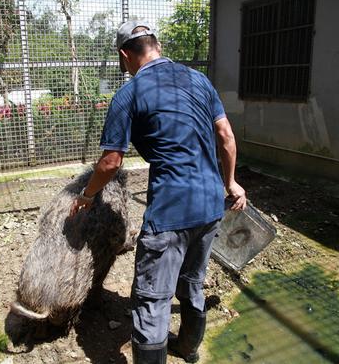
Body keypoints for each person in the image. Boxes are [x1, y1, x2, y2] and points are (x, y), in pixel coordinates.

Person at [70, 20, 246, 364]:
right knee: (192, 284)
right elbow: (225, 136)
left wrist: (87, 195)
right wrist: (231, 182)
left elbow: (109, 163)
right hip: (211, 205)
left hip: (170, 212)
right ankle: (190, 349)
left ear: (125, 56)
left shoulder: (130, 93)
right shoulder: (199, 79)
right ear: (158, 46)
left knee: (151, 301)